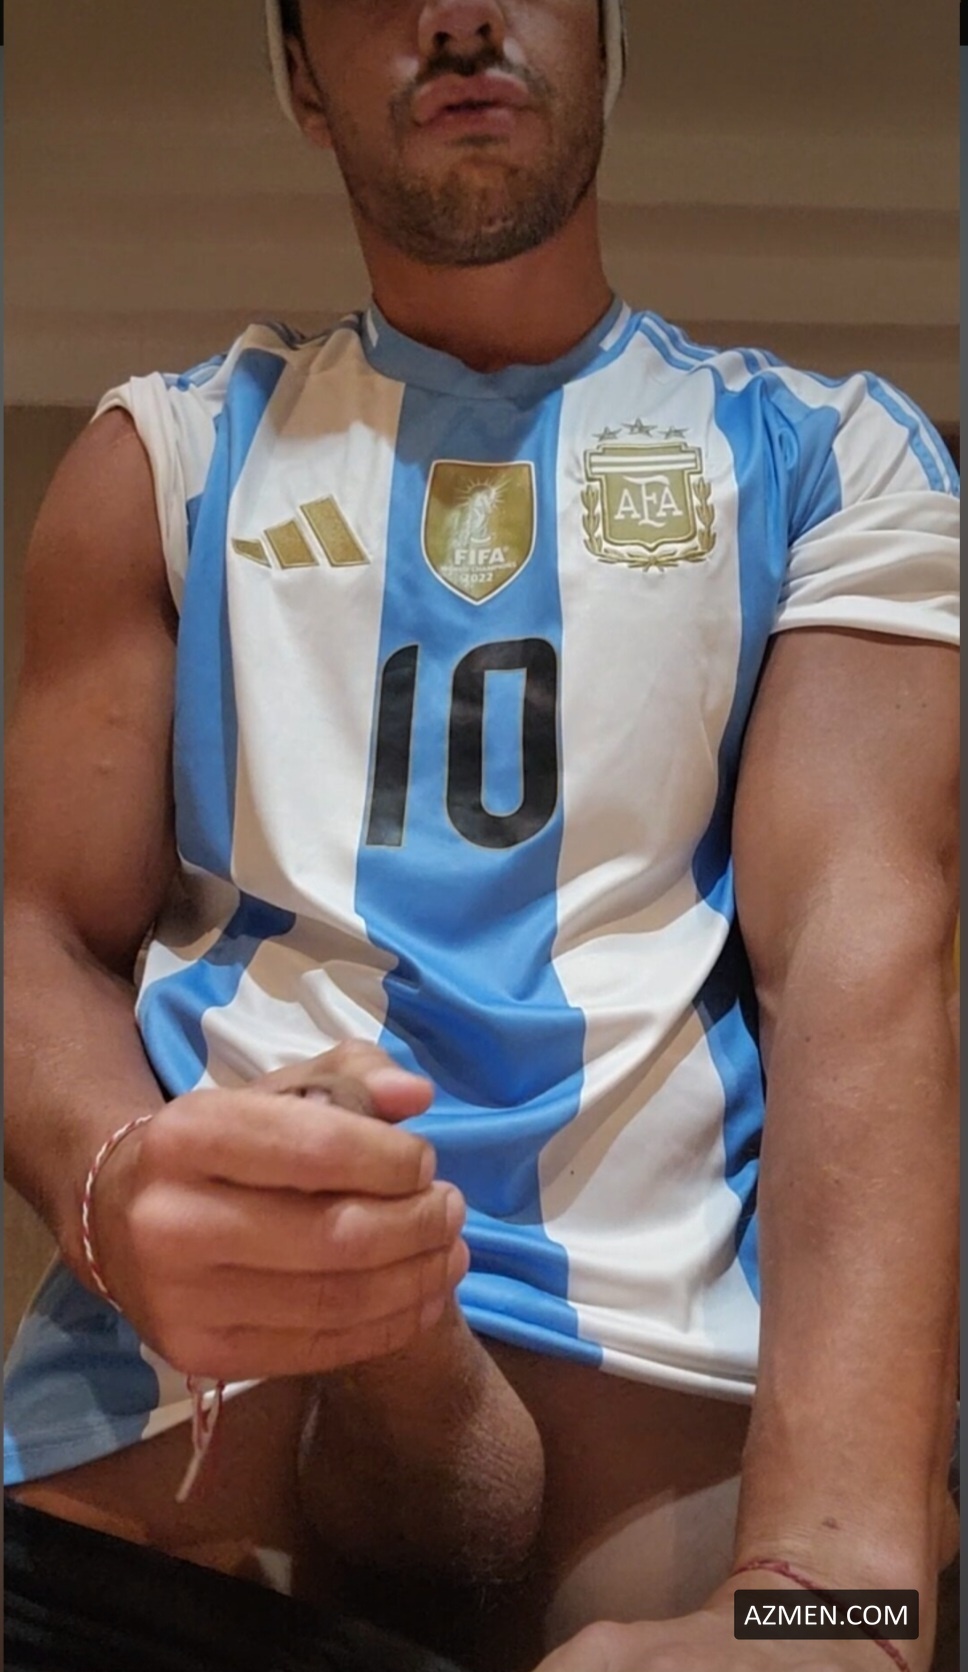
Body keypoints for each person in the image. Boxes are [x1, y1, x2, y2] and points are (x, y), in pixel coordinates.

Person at [4, 3, 960, 1670]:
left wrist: (842, 1596)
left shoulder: (837, 460)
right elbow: (32, 932)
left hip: (682, 1518)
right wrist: (113, 1182)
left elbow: (864, 968)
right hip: (166, 1461)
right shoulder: (160, 456)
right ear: (300, 78)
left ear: (609, 34)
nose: (455, 13)